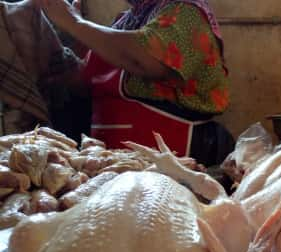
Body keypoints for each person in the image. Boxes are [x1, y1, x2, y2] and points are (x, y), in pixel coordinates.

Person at [36, 0, 234, 166]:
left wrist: (73, 22)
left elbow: (144, 60)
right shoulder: (127, 19)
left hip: (172, 166)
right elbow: (90, 83)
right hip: (115, 163)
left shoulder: (186, 13)